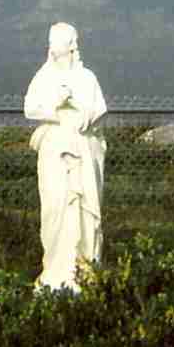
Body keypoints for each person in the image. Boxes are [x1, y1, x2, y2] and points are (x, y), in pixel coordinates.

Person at [24, 22, 106, 290]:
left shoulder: (87, 78)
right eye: (50, 40)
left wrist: (80, 109)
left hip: (82, 149)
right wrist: (56, 103)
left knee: (84, 210)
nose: (51, 45)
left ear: (71, 44)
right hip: (54, 151)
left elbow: (98, 110)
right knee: (55, 207)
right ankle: (56, 271)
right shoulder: (43, 77)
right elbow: (30, 109)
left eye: (56, 40)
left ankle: (84, 270)